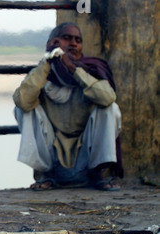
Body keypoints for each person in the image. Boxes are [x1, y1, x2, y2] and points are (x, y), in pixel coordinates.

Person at [13, 22, 123, 191]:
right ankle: (45, 174)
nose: (73, 44)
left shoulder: (91, 69)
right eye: (66, 38)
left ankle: (98, 173)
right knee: (23, 108)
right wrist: (47, 63)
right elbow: (22, 101)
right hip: (52, 155)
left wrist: (73, 69)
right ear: (53, 43)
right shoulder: (42, 73)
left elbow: (108, 98)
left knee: (110, 108)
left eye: (78, 40)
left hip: (85, 155)